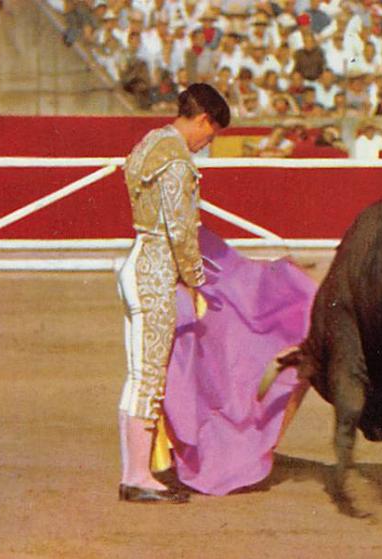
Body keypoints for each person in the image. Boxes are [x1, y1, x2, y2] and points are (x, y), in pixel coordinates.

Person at [117, 83, 230, 504]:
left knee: (140, 373)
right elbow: (181, 229)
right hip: (156, 271)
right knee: (147, 375)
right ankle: (138, 476)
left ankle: (136, 472)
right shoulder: (177, 160)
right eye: (211, 134)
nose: (206, 144)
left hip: (138, 260)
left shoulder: (152, 142)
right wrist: (196, 276)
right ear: (202, 120)